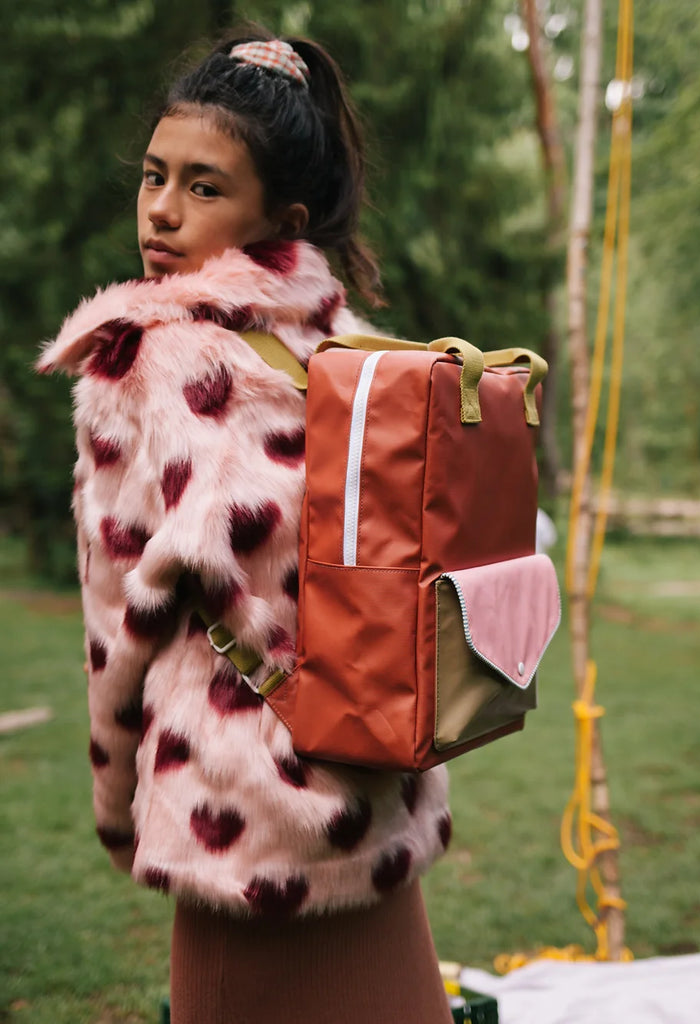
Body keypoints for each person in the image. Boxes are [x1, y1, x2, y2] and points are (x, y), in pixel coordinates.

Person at [38, 26, 453, 1024]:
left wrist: (115, 803)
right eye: (154, 176)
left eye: (205, 186)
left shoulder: (143, 363)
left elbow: (118, 626)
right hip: (370, 778)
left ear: (283, 213)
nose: (163, 210)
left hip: (234, 813)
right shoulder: (353, 354)